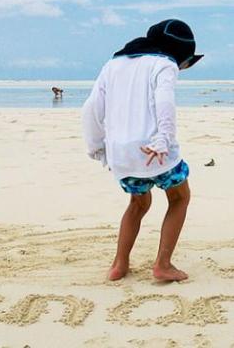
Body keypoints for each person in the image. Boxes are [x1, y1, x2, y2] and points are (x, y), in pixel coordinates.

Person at [81, 19, 203, 281]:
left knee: (138, 203)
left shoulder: (112, 65)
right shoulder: (165, 65)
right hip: (155, 150)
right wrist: (164, 139)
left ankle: (119, 265)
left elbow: (91, 108)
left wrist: (96, 146)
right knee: (179, 198)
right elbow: (165, 102)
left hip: (121, 154)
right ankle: (163, 264)